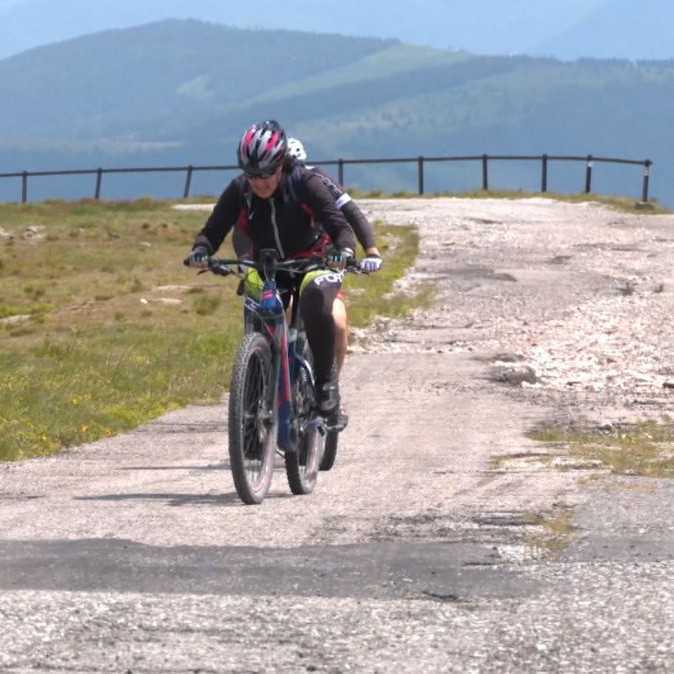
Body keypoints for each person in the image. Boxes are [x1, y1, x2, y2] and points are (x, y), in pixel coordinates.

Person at [184, 120, 356, 415]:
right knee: (257, 312)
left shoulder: (305, 183)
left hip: (311, 261)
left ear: (281, 165)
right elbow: (213, 230)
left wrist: (344, 250)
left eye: (266, 174)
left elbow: (339, 225)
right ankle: (250, 414)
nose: (259, 183)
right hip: (268, 265)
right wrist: (202, 250)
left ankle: (326, 383)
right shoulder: (239, 189)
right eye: (252, 175)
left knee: (315, 298)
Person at [235, 136, 384, 376]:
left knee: (335, 323)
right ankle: (260, 377)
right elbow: (240, 228)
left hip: (319, 260)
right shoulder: (257, 191)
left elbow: (351, 213)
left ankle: (328, 387)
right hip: (277, 263)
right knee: (265, 309)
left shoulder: (316, 181)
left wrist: (371, 250)